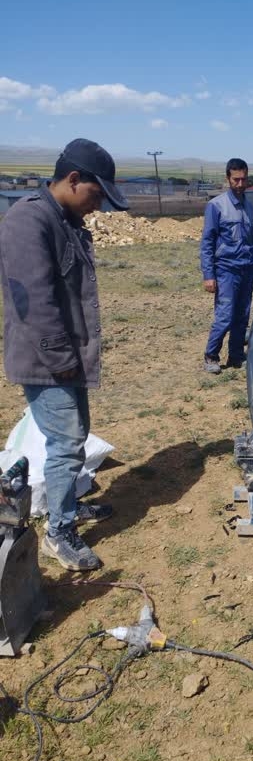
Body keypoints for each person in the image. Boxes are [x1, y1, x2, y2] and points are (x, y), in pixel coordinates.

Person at [0, 138, 129, 570]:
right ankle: (60, 530)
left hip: (65, 357)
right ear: (74, 180)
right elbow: (33, 304)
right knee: (67, 442)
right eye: (97, 195)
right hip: (46, 359)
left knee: (73, 437)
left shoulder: (64, 219)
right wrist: (62, 360)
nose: (99, 206)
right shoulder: (27, 221)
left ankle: (67, 504)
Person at [200, 158, 253, 373]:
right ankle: (211, 356)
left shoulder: (248, 206)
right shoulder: (216, 206)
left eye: (243, 179)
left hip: (247, 268)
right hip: (226, 270)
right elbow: (207, 242)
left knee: (242, 315)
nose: (240, 184)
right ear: (227, 178)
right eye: (236, 179)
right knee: (225, 315)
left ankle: (236, 355)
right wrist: (209, 275)